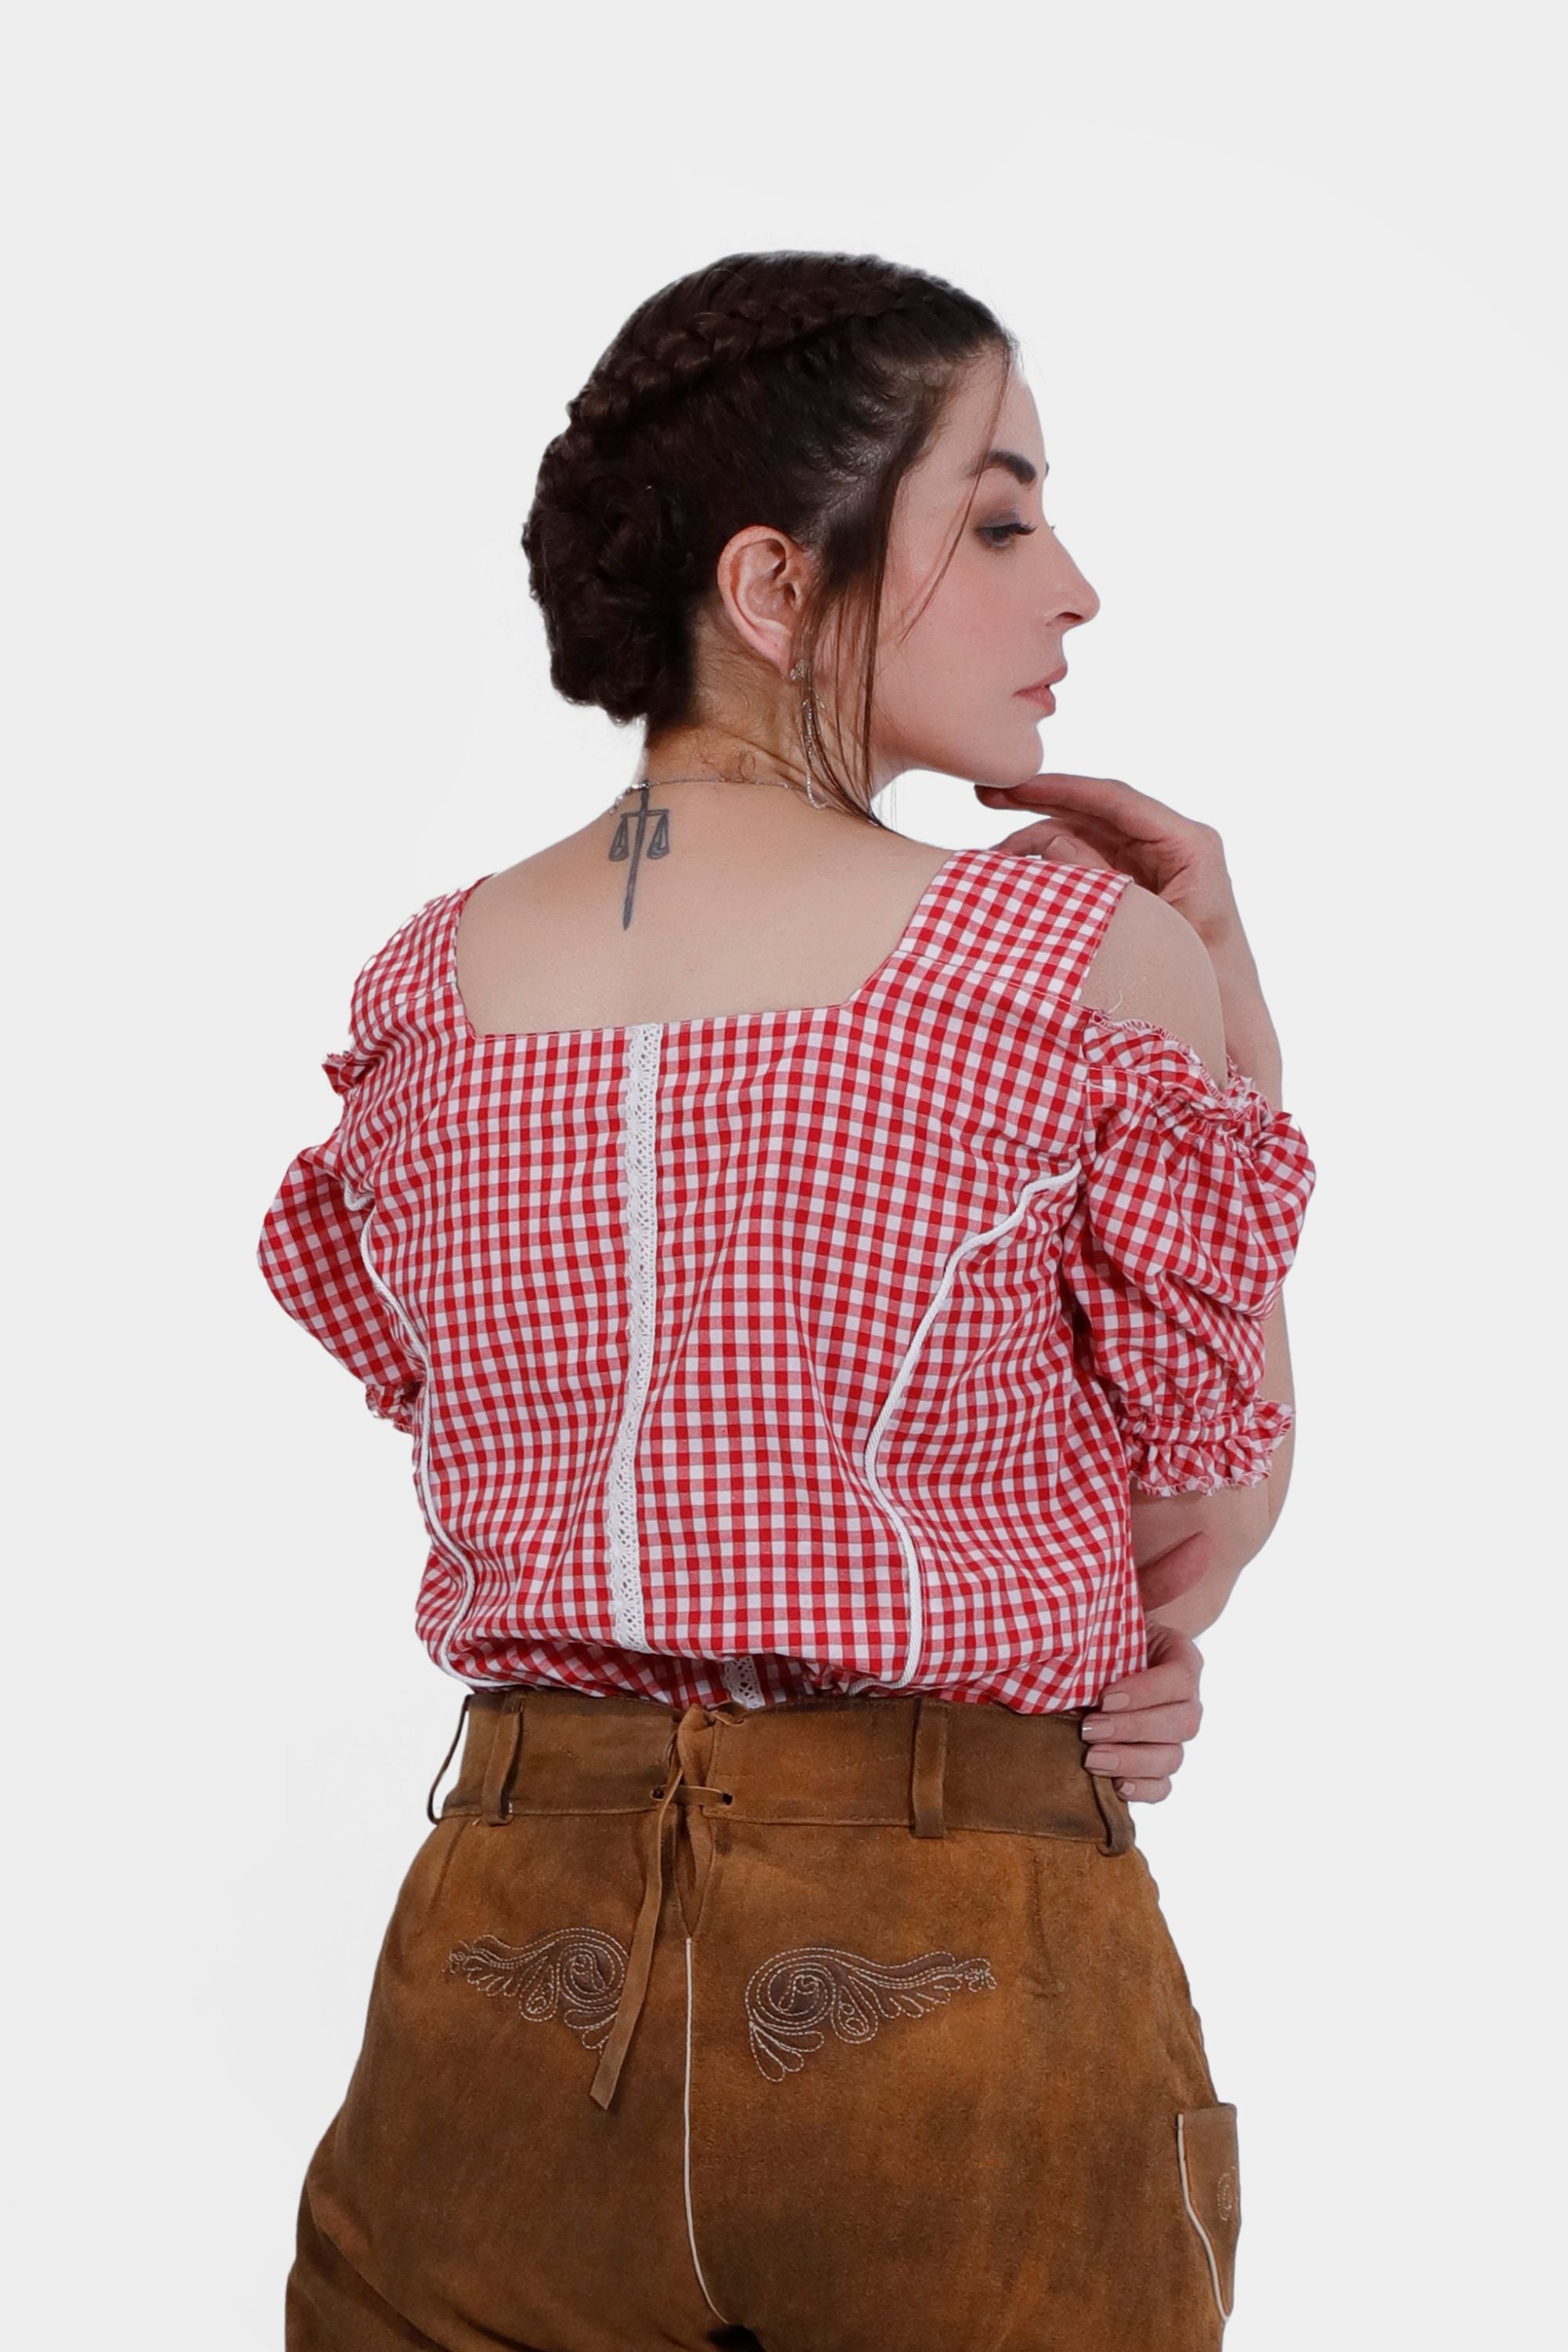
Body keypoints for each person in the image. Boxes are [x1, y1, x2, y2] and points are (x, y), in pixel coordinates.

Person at [258, 249, 1316, 2351]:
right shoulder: (1061, 968)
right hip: (954, 1980)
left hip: (501, 1982)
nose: (1074, 587)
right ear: (773, 587)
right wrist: (1227, 999)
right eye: (1001, 518)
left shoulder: (423, 992)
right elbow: (1191, 1511)